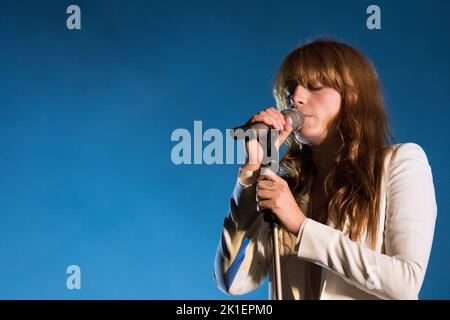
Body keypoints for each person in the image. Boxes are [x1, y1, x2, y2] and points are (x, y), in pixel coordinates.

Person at [213, 38, 437, 300]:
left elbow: (405, 284)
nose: (296, 97)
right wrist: (252, 169)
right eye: (290, 90)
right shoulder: (290, 189)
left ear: (352, 96)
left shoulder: (400, 163)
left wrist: (300, 226)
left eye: (314, 86)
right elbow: (232, 280)